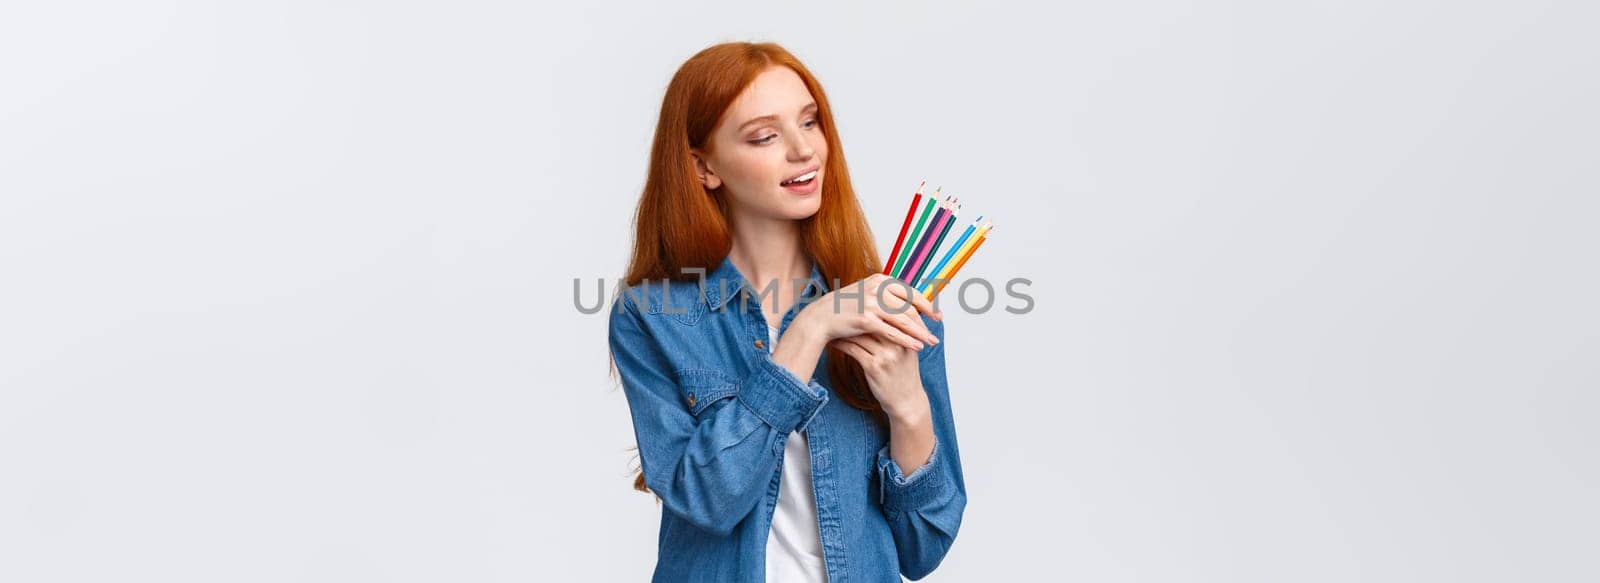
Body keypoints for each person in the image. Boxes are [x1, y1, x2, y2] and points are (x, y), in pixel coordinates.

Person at [608, 41, 966, 582]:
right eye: (764, 136)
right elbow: (708, 501)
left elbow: (923, 550)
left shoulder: (887, 302)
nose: (804, 151)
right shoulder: (652, 316)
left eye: (809, 123)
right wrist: (808, 330)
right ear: (704, 167)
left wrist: (909, 408)